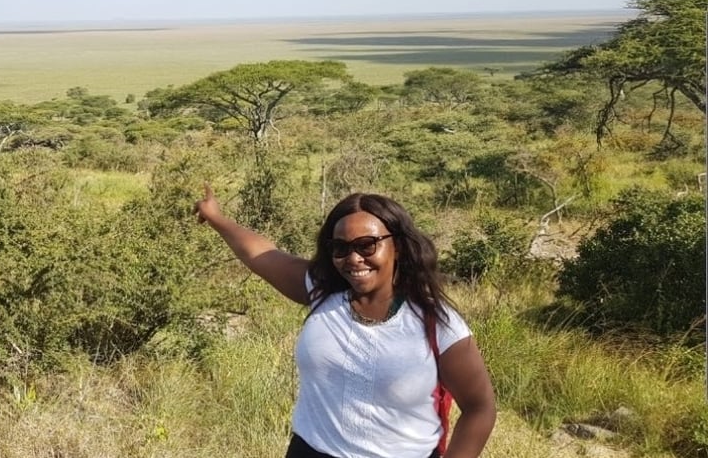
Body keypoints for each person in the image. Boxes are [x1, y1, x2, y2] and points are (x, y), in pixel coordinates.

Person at [194, 185, 495, 458]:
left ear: (398, 246)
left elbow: (479, 408)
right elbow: (262, 254)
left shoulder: (436, 323)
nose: (352, 259)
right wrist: (216, 218)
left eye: (366, 245)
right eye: (340, 248)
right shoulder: (323, 292)